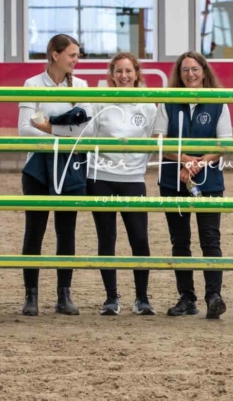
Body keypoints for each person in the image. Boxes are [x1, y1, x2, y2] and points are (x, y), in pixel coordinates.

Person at [153, 51, 232, 320]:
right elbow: (159, 141)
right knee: (180, 241)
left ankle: (214, 296)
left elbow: (223, 144)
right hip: (172, 179)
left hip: (208, 180)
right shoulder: (168, 101)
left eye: (195, 69)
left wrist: (197, 164)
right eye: (185, 70)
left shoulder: (218, 102)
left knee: (210, 240)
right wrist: (185, 159)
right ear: (179, 73)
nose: (190, 74)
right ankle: (187, 297)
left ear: (204, 70)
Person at [18, 34, 91, 317]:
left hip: (69, 163)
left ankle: (64, 293)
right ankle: (31, 295)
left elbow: (85, 130)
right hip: (38, 164)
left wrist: (48, 126)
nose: (76, 60)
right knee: (34, 230)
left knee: (66, 231)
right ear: (54, 55)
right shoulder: (32, 84)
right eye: (72, 55)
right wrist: (64, 131)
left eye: (77, 55)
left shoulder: (82, 85)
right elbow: (24, 129)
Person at [86, 53, 157, 316]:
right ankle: (111, 298)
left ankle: (142, 298)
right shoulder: (101, 102)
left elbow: (151, 141)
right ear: (112, 75)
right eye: (119, 71)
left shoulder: (148, 105)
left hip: (132, 180)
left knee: (139, 239)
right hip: (101, 178)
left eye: (129, 71)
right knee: (107, 239)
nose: (124, 76)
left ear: (137, 74)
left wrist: (135, 166)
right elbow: (90, 136)